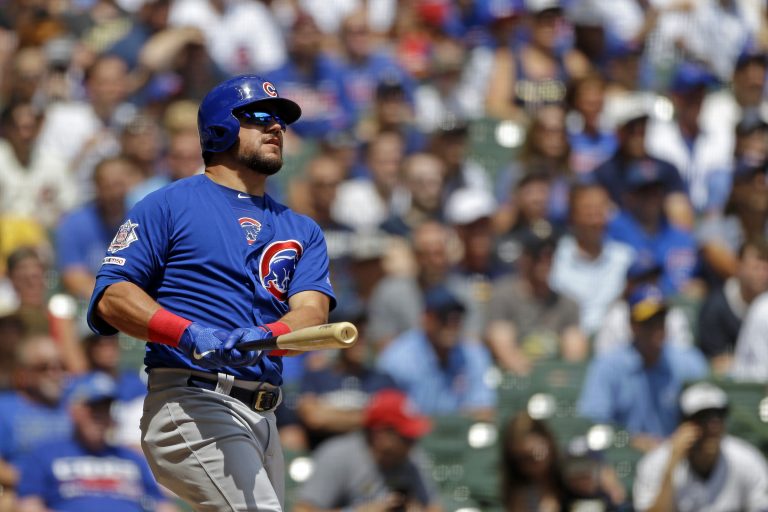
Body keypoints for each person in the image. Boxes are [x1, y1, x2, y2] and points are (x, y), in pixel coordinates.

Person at [86, 75, 336, 512]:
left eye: (281, 120)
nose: (276, 127)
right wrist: (187, 333)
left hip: (264, 413)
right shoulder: (168, 204)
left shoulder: (303, 229)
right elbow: (113, 297)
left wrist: (265, 333)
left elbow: (311, 314)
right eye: (260, 116)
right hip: (191, 397)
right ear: (220, 126)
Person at [15, 372, 178, 512]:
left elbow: (162, 506)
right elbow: (28, 506)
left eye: (105, 409)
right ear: (73, 411)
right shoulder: (44, 455)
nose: (100, 416)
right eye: (93, 409)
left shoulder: (131, 458)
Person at [577, 284, 708, 450]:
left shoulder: (689, 362)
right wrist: (630, 440)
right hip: (622, 459)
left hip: (678, 457)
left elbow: (706, 415)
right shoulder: (608, 366)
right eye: (648, 322)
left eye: (660, 320)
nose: (656, 329)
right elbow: (593, 422)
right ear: (632, 325)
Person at [293, 389, 442, 512]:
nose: (412, 443)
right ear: (380, 434)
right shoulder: (338, 455)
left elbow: (433, 507)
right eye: (406, 437)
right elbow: (302, 510)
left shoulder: (412, 458)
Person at [633, 381, 768, 512]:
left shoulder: (746, 459)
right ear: (683, 424)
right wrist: (671, 466)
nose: (713, 425)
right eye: (703, 417)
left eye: (719, 415)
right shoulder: (657, 463)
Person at [376, 285, 496, 419]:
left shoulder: (474, 354)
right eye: (443, 317)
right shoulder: (398, 358)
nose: (451, 324)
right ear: (426, 319)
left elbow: (485, 410)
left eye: (457, 318)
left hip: (460, 435)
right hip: (415, 436)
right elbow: (389, 414)